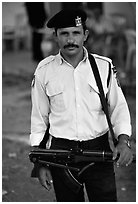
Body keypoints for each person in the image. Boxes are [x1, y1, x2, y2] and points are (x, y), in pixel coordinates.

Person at [30, 9, 133, 202]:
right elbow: (39, 119)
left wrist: (123, 141)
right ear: (56, 37)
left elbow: (118, 108)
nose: (71, 39)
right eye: (64, 33)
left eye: (76, 33)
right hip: (60, 153)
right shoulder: (44, 71)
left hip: (98, 151)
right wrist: (40, 163)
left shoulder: (104, 67)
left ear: (85, 35)